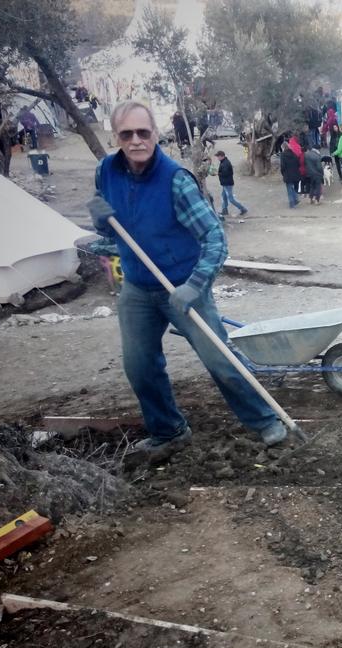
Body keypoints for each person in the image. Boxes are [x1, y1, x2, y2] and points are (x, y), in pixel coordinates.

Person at [86, 100, 287, 461]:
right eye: (126, 134)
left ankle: (265, 419)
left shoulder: (175, 181)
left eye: (143, 132)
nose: (135, 140)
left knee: (220, 359)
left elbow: (216, 239)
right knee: (140, 366)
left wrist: (194, 285)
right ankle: (169, 431)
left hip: (183, 285)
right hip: (136, 287)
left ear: (156, 135)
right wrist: (100, 221)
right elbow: (111, 225)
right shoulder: (106, 171)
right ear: (116, 136)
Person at [214, 150, 248, 217]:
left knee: (231, 199)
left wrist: (217, 173)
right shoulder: (223, 162)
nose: (217, 158)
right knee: (224, 196)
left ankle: (243, 209)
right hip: (225, 183)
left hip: (227, 183)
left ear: (222, 156)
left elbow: (225, 173)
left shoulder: (225, 163)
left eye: (218, 156)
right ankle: (224, 210)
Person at [280, 140, 301, 208]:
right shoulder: (293, 154)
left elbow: (282, 166)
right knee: (292, 188)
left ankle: (292, 203)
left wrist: (283, 173)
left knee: (289, 189)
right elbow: (298, 163)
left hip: (287, 175)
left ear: (283, 148)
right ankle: (296, 199)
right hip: (295, 174)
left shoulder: (283, 155)